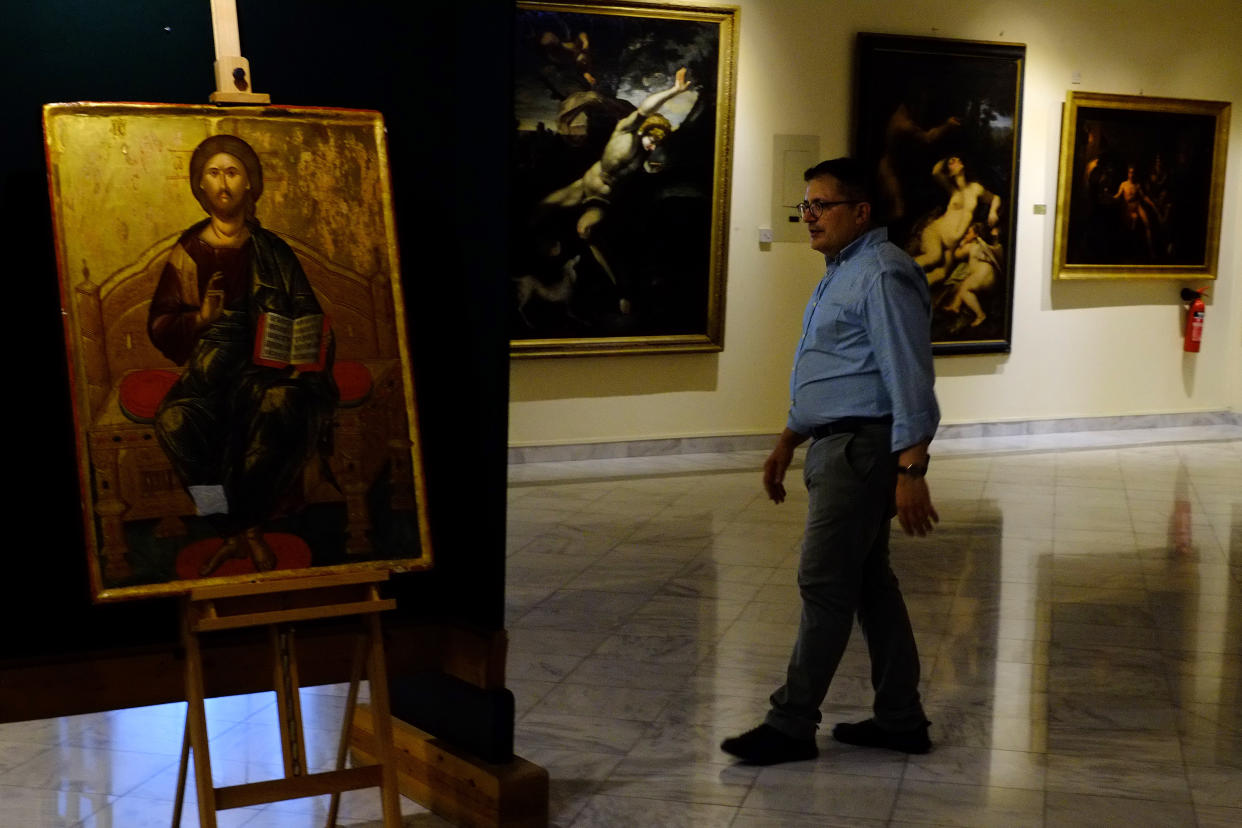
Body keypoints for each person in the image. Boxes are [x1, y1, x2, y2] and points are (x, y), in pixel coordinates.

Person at [721, 157, 940, 766]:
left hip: (860, 451)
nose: (808, 217)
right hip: (836, 443)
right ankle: (900, 718)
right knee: (871, 587)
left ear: (860, 211)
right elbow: (842, 370)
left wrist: (912, 469)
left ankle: (791, 723)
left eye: (821, 205)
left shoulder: (881, 274)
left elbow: (908, 377)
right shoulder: (842, 271)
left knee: (823, 584)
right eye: (805, 207)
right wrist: (789, 439)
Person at [147, 134, 339, 576]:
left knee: (278, 405)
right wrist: (200, 317)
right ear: (200, 186)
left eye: (232, 172)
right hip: (209, 369)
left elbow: (307, 312)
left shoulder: (273, 250)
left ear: (250, 183)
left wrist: (296, 360)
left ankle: (243, 528)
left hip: (268, 365)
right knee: (175, 421)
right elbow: (160, 323)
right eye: (213, 174)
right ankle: (230, 524)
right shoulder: (188, 251)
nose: (223, 183)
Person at [538, 67, 692, 313]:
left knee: (586, 230)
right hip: (581, 187)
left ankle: (622, 292)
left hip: (600, 199)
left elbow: (651, 176)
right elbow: (646, 108)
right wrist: (674, 91)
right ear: (645, 130)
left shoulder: (646, 154)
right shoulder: (626, 130)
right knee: (542, 208)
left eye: (657, 142)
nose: (653, 145)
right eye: (652, 138)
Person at [914, 155, 1000, 286]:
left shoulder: (976, 188)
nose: (957, 161)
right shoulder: (952, 190)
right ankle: (900, 269)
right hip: (936, 232)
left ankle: (909, 286)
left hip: (951, 246)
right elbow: (935, 172)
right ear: (949, 173)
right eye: (952, 162)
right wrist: (947, 160)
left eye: (958, 159)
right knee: (934, 256)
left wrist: (993, 211)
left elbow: (995, 198)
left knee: (942, 274)